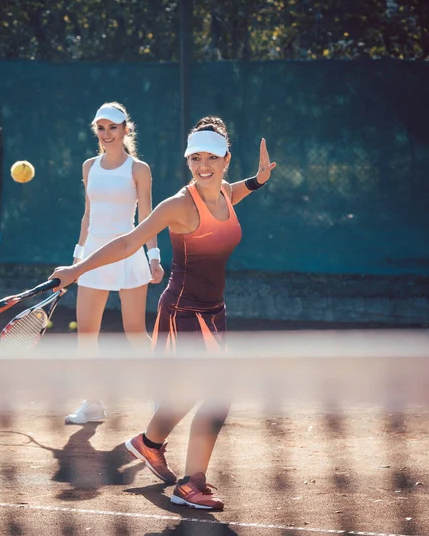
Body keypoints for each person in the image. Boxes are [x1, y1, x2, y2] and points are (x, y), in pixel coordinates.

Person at [50, 116, 276, 509]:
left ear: (226, 159)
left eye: (211, 157)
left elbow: (236, 191)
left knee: (190, 393)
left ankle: (148, 443)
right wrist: (77, 269)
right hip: (183, 313)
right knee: (218, 394)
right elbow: (128, 242)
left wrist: (257, 180)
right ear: (187, 160)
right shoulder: (178, 205)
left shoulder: (223, 192)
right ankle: (190, 484)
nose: (203, 166)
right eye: (195, 158)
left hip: (214, 311)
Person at [65, 102, 164, 425]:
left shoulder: (139, 169)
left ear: (125, 130)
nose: (106, 134)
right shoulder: (88, 166)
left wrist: (154, 258)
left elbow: (147, 217)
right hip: (93, 256)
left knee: (135, 331)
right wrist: (78, 258)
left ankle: (160, 393)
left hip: (128, 252)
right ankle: (92, 404)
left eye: (113, 127)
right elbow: (88, 215)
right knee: (86, 335)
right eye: (101, 128)